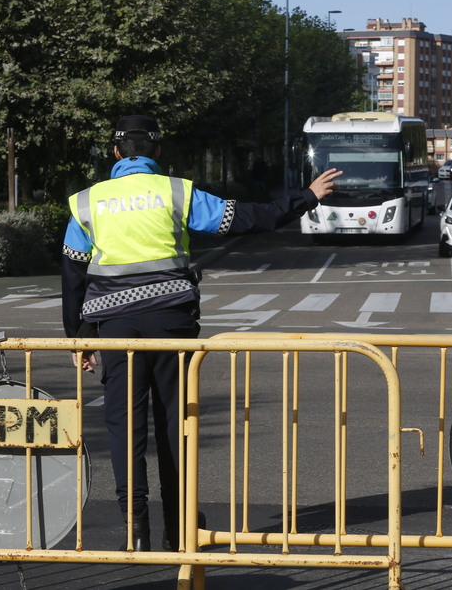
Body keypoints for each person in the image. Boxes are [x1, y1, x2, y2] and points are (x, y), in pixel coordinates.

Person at [61, 115, 342, 552]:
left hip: (114, 329)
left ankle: (135, 530)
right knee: (176, 425)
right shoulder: (175, 191)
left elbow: (74, 272)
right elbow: (245, 218)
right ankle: (182, 526)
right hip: (171, 322)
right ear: (157, 153)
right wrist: (305, 197)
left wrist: (77, 335)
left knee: (124, 426)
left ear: (114, 153)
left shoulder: (86, 202)